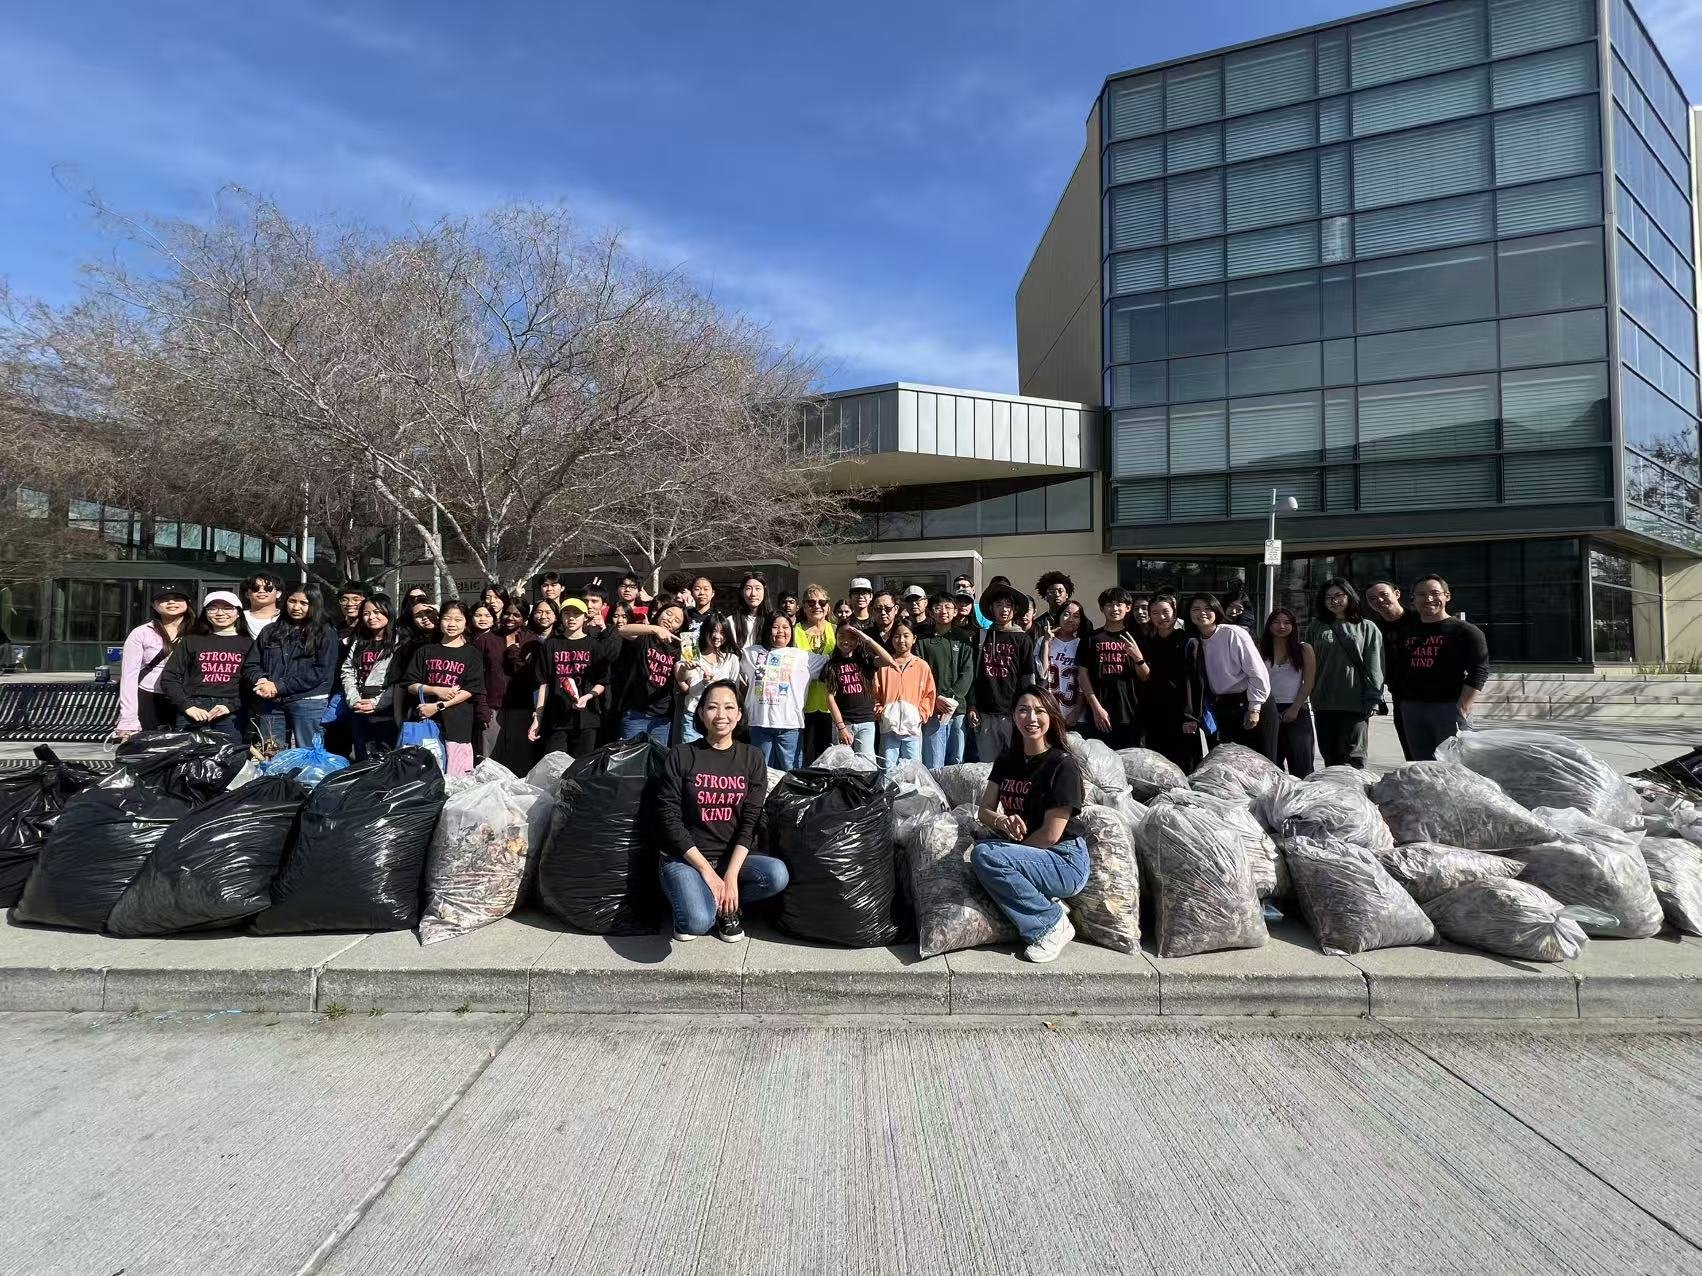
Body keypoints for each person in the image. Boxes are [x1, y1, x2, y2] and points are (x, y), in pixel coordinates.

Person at [655, 680, 788, 943]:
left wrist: (729, 877)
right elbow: (668, 819)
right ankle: (707, 904)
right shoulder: (681, 755)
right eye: (713, 707)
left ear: (739, 714)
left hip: (730, 858)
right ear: (702, 713)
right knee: (696, 922)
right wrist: (707, 872)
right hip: (686, 859)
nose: (721, 715)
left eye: (729, 707)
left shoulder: (752, 757)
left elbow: (750, 821)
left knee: (777, 874)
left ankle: (725, 903)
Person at [970, 687, 1091, 965]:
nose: (1031, 718)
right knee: (980, 848)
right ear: (1013, 716)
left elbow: (1051, 835)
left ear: (1051, 716)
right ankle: (1044, 901)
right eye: (1023, 710)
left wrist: (1009, 853)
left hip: (1064, 860)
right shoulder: (1007, 759)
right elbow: (984, 810)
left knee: (986, 856)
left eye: (1039, 710)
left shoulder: (1063, 765)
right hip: (1030, 853)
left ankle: (1051, 924)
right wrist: (1002, 820)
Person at [744, 614, 891, 770]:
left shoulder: (803, 656)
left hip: (790, 725)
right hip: (759, 723)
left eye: (786, 627)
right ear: (767, 629)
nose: (781, 631)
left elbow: (887, 661)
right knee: (761, 769)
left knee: (792, 771)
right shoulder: (749, 653)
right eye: (775, 626)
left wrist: (865, 639)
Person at [1386, 575, 1490, 762]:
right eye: (1421, 594)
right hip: (1413, 709)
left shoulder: (1465, 631)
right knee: (1423, 766)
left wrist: (1462, 707)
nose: (1429, 599)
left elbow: (1479, 670)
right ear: (1413, 599)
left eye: (1435, 593)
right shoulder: (1407, 631)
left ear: (1447, 596)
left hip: (1448, 708)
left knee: (1455, 768)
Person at [243, 585, 340, 751]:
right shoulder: (270, 631)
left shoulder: (325, 632)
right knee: (271, 752)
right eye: (292, 601)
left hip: (308, 700)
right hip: (271, 701)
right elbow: (251, 664)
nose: (296, 607)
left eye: (304, 603)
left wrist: (279, 686)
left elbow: (321, 671)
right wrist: (262, 680)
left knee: (308, 753)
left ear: (314, 605)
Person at [1305, 578, 1385, 769]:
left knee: (1354, 757)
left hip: (1354, 702)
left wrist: (1374, 697)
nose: (1334, 601)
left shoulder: (1367, 627)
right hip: (1323, 701)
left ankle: (1356, 797)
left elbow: (1375, 665)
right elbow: (1307, 665)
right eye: (1329, 597)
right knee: (1330, 757)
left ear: (1349, 596)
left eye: (1338, 596)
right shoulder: (1316, 627)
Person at [403, 599, 486, 776]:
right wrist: (436, 690)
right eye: (447, 619)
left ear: (466, 622)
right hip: (425, 723)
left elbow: (470, 689)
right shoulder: (425, 651)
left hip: (458, 725)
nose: (452, 624)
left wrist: (438, 706)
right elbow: (410, 684)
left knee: (456, 777)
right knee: (425, 774)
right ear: (440, 620)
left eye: (458, 619)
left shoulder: (472, 654)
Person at [157, 590, 251, 743]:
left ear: (238, 612)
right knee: (188, 763)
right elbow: (169, 677)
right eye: (213, 608)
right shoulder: (192, 640)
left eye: (227, 608)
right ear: (205, 613)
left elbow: (251, 683)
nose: (220, 613)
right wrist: (187, 706)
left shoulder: (248, 643)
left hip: (230, 713)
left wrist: (231, 706)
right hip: (192, 709)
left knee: (230, 761)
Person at [1186, 593, 1272, 757]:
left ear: (1217, 610)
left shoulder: (1233, 633)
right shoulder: (1193, 641)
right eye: (1196, 609)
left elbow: (1256, 671)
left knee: (1254, 761)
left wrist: (1254, 708)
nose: (1202, 613)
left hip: (1248, 703)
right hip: (1220, 707)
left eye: (1207, 608)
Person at [530, 598, 614, 756]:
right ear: (560, 617)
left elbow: (602, 681)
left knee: (580, 769)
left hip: (587, 718)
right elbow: (544, 683)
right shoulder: (551, 644)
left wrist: (588, 697)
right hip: (556, 718)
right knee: (555, 767)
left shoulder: (594, 646)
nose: (571, 618)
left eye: (576, 614)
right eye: (567, 613)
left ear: (585, 617)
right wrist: (538, 717)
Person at [115, 585, 192, 741]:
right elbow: (129, 676)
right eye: (164, 599)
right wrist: (128, 719)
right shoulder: (141, 633)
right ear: (154, 605)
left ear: (187, 602)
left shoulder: (199, 631)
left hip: (189, 697)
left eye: (177, 598)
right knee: (150, 748)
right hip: (150, 696)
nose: (171, 602)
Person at [969, 587, 1038, 760]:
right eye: (999, 604)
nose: (1004, 609)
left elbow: (1028, 677)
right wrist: (972, 705)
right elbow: (973, 675)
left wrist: (1026, 710)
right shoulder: (982, 636)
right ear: (991, 608)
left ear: (1015, 610)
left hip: (1012, 713)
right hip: (985, 713)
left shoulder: (1022, 639)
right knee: (987, 767)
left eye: (1008, 605)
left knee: (1016, 764)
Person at [1135, 594, 1201, 772]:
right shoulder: (1147, 644)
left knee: (1184, 766)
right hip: (1154, 714)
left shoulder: (1189, 642)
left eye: (1165, 612)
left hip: (1181, 716)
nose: (1161, 617)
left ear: (1175, 612)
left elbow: (1193, 682)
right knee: (1158, 766)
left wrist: (1191, 716)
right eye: (1155, 613)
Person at [1078, 588, 1149, 750]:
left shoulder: (1138, 637)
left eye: (1119, 605)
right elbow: (1082, 675)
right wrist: (1096, 708)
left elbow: (1146, 677)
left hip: (1131, 712)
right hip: (1100, 713)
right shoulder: (1091, 638)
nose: (1114, 609)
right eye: (1109, 605)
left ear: (1128, 607)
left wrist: (1138, 658)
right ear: (1102, 608)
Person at [615, 599, 688, 748]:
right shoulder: (645, 635)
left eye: (676, 620)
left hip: (662, 717)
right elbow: (623, 630)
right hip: (635, 713)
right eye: (668, 613)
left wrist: (688, 668)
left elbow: (681, 679)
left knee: (655, 763)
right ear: (659, 613)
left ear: (679, 628)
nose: (670, 620)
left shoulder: (679, 648)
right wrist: (654, 629)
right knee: (630, 761)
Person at [493, 600, 551, 773]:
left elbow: (533, 675)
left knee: (521, 758)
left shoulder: (533, 641)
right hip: (494, 705)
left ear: (525, 618)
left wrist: (513, 652)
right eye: (507, 613)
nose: (510, 618)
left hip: (523, 705)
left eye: (516, 615)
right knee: (495, 759)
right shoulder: (490, 638)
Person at [341, 595, 401, 760]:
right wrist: (354, 699)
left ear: (388, 612)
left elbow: (400, 679)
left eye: (377, 612)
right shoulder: (360, 641)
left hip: (386, 708)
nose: (371, 617)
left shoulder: (400, 642)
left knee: (384, 755)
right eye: (366, 613)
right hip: (359, 704)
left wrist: (377, 703)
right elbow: (348, 670)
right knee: (362, 754)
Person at [919, 594, 975, 768]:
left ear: (955, 611)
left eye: (948, 607)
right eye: (938, 608)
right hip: (933, 708)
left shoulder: (963, 638)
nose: (943, 611)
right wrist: (936, 700)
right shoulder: (922, 641)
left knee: (956, 761)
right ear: (930, 612)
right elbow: (921, 676)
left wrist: (951, 697)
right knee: (933, 762)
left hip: (957, 708)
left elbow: (967, 673)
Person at [1260, 608, 1317, 777]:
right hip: (1268, 709)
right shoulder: (1260, 649)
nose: (1281, 626)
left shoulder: (1304, 649)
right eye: (1276, 622)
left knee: (1302, 765)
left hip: (1297, 709)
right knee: (1271, 765)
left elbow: (1309, 681)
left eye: (1287, 622)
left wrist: (1295, 707)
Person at [1366, 580, 1415, 761]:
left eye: (1383, 594)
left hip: (1432, 696)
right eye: (1372, 599)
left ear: (1397, 594)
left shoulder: (1419, 620)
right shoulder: (1373, 629)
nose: (1379, 600)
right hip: (1400, 697)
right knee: (1411, 753)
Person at [875, 621, 936, 766]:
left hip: (912, 729)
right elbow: (875, 693)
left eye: (906, 636)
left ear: (914, 639)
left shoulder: (921, 666)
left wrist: (920, 715)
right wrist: (881, 712)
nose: (901, 640)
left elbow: (929, 694)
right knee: (888, 767)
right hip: (889, 727)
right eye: (896, 636)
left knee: (912, 768)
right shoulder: (884, 665)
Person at [675, 615, 741, 746]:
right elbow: (683, 682)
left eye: (722, 632)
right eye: (713, 631)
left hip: (721, 718)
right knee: (691, 758)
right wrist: (686, 670)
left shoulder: (732, 659)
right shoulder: (693, 655)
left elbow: (734, 690)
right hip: (693, 714)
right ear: (704, 631)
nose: (717, 636)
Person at [792, 585, 840, 760]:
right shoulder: (793, 631)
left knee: (829, 757)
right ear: (804, 607)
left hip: (832, 704)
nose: (816, 606)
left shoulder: (836, 631)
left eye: (822, 602)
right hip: (803, 704)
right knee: (806, 756)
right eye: (811, 602)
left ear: (828, 606)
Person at [822, 634, 880, 759]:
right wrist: (841, 727)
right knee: (842, 765)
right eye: (842, 637)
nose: (846, 641)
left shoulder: (866, 660)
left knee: (867, 766)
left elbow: (888, 661)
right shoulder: (832, 665)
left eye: (852, 637)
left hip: (866, 722)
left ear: (859, 639)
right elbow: (830, 697)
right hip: (844, 722)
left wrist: (868, 639)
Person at [1037, 599, 1089, 730]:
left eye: (1076, 616)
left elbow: (1084, 682)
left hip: (1076, 715)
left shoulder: (1083, 644)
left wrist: (1077, 711)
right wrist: (1047, 643)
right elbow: (1042, 673)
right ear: (1058, 616)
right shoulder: (1042, 641)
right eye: (1066, 614)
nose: (1070, 619)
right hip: (1048, 712)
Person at [470, 602, 506, 761]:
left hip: (491, 703)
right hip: (474, 703)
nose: (482, 619)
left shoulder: (493, 639)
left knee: (489, 754)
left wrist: (483, 705)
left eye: (487, 615)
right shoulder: (473, 639)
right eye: (478, 615)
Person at [727, 572, 772, 651]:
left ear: (764, 592)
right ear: (742, 592)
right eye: (748, 588)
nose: (753, 594)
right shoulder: (731, 621)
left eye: (758, 588)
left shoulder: (772, 620)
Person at [240, 571, 284, 640]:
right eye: (255, 588)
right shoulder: (238, 618)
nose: (261, 591)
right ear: (247, 594)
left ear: (278, 593)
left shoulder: (285, 618)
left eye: (268, 588)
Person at [1034, 571, 1073, 637]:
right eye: (1052, 591)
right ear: (1045, 596)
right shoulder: (1038, 624)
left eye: (1060, 591)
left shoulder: (1080, 621)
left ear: (1067, 595)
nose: (1057, 595)